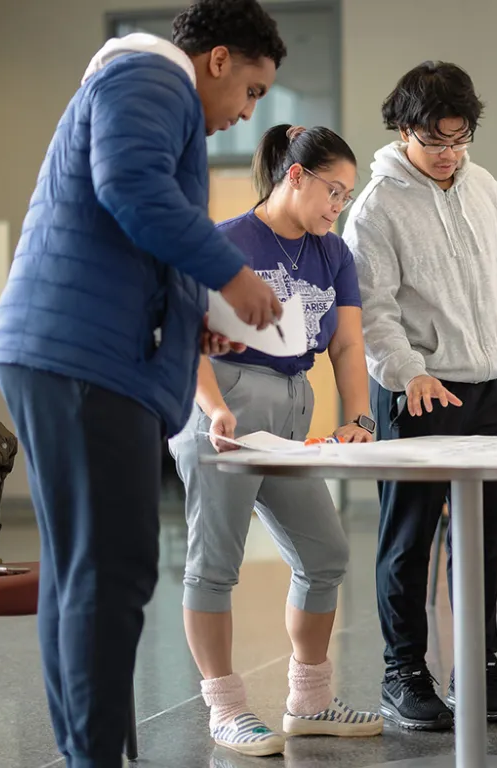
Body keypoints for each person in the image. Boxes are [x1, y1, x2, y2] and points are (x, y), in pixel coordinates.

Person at [0, 2, 286, 764]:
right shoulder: (151, 74)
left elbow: (132, 234)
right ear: (217, 60)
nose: (248, 115)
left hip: (72, 351)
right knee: (111, 568)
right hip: (82, 358)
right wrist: (232, 274)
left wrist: (196, 320)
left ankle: (86, 754)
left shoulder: (146, 84)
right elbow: (130, 185)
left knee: (86, 568)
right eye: (252, 91)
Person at [342, 61, 497, 731]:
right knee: (408, 542)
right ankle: (404, 677)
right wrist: (408, 370)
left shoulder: (486, 188)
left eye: (461, 139)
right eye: (435, 141)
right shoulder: (375, 209)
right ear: (403, 129)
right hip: (418, 392)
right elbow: (375, 312)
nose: (449, 155)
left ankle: (479, 671)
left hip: (488, 389)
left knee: (479, 543)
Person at [166, 124, 384, 756]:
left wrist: (360, 416)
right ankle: (226, 709)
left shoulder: (333, 253)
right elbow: (183, 334)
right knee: (215, 565)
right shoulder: (224, 241)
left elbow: (346, 343)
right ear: (295, 175)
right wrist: (212, 410)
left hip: (292, 406)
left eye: (347, 196)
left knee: (325, 555)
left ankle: (309, 700)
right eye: (333, 192)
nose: (338, 206)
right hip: (225, 402)